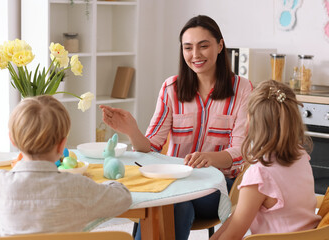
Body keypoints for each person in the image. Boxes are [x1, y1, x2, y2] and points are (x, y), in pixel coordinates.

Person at [100, 15, 252, 240]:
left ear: (220, 46)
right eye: (188, 48)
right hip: (173, 182)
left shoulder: (242, 89)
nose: (195, 55)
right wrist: (132, 130)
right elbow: (150, 147)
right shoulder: (171, 88)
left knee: (169, 206)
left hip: (218, 186)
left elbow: (240, 152)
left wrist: (209, 157)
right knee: (172, 205)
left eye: (203, 46)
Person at [0, 95, 132, 236]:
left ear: (12, 140)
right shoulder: (79, 187)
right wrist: (105, 184)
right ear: (62, 146)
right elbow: (124, 198)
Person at [210, 80, 321, 240]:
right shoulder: (300, 155)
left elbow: (233, 235)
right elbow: (238, 216)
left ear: (249, 123)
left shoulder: (259, 176)